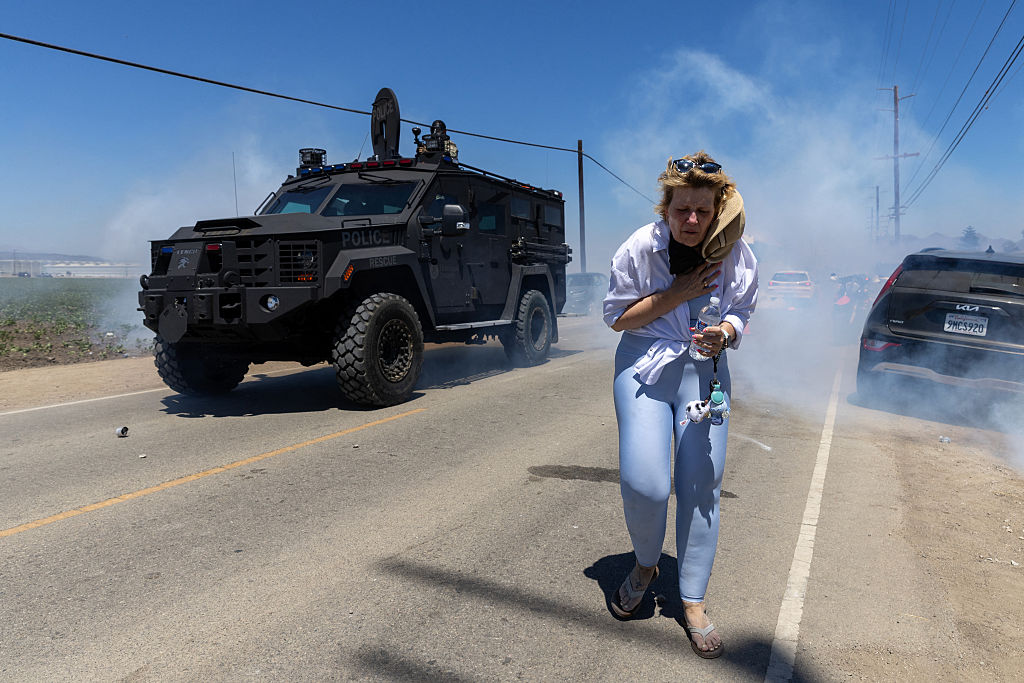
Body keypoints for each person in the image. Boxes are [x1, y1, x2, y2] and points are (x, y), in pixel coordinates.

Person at [602, 152, 758, 659]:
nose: (691, 221)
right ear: (665, 208)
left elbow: (741, 309)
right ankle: (647, 563)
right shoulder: (639, 249)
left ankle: (692, 599)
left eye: (703, 212)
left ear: (717, 211)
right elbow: (618, 319)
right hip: (645, 361)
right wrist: (679, 293)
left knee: (700, 484)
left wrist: (727, 332)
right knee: (645, 482)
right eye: (681, 210)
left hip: (703, 371)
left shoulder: (735, 254)